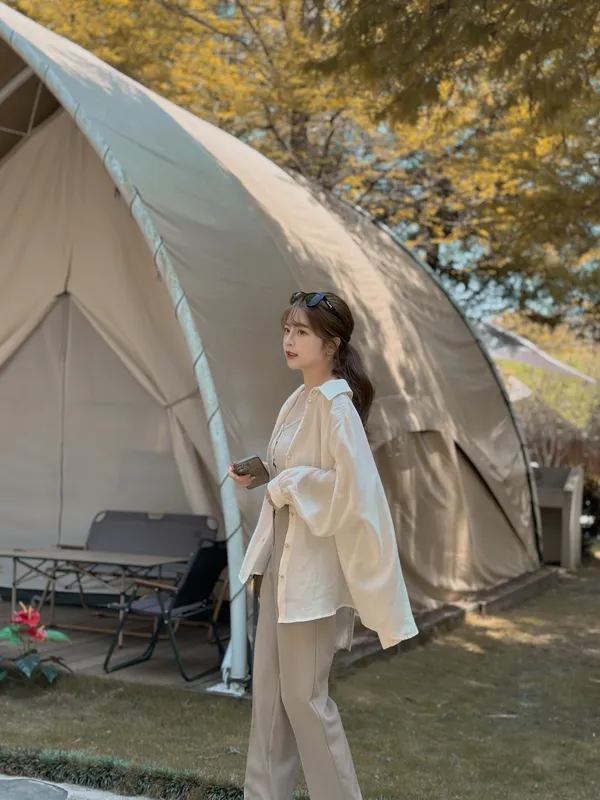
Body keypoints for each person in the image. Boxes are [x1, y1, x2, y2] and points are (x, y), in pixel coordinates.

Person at [229, 291, 418, 800]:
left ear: (331, 345)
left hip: (310, 573)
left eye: (302, 332)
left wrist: (288, 484)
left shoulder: (337, 407)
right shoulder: (298, 400)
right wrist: (264, 476)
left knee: (305, 700)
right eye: (287, 329)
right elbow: (297, 472)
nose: (288, 340)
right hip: (279, 562)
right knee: (269, 699)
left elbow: (353, 492)